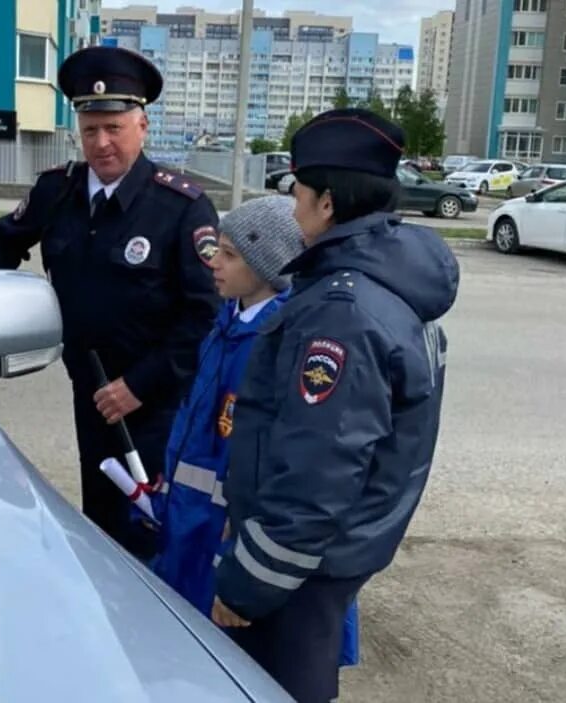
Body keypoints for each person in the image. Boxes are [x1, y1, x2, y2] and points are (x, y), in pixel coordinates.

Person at [210, 108, 460, 702]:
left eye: (298, 193)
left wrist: (245, 586)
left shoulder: (341, 313)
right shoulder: (384, 283)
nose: (293, 208)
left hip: (302, 568)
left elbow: (316, 473)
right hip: (332, 556)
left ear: (326, 203)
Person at [0, 46, 220, 558]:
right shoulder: (57, 192)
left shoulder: (181, 207)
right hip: (90, 395)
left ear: (142, 125)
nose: (102, 143)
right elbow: (0, 247)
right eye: (90, 130)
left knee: (152, 533)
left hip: (157, 406)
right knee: (103, 526)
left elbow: (205, 316)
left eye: (114, 128)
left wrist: (138, 385)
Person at [148, 194, 359, 671]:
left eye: (230, 254)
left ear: (268, 266)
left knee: (226, 664)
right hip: (190, 520)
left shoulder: (275, 340)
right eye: (216, 250)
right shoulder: (226, 323)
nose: (214, 265)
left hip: (225, 537)